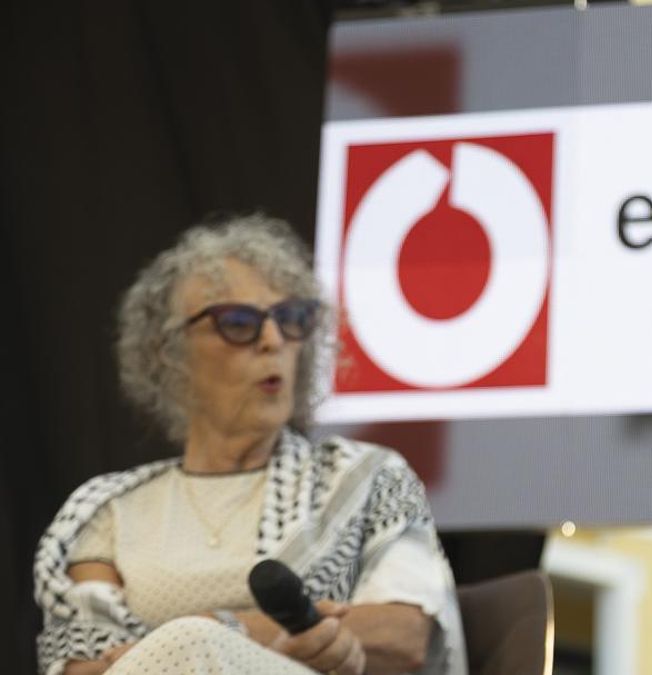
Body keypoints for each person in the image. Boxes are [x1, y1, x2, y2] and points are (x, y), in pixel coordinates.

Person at [33, 214, 467, 675]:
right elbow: (83, 668)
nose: (273, 340)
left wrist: (222, 630)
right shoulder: (108, 511)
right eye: (238, 323)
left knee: (194, 642)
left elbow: (404, 634)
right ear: (168, 353)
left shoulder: (367, 478)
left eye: (291, 319)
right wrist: (205, 644)